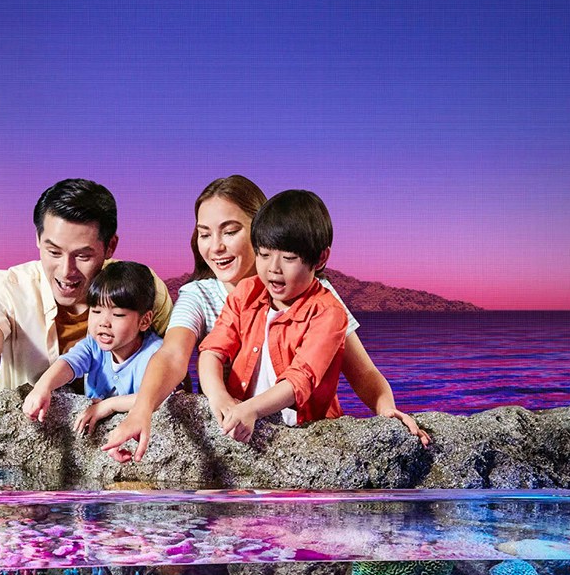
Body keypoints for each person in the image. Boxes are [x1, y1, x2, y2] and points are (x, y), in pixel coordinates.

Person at [102, 175, 428, 460]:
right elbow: (174, 355)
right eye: (204, 234)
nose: (216, 247)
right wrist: (143, 410)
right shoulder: (203, 295)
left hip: (307, 428)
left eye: (229, 232)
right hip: (240, 428)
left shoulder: (323, 301)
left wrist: (386, 410)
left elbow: (362, 371)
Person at [0, 179, 173, 454]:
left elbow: (171, 360)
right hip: (27, 444)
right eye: (53, 251)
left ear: (110, 247)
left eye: (83, 255)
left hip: (117, 443)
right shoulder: (3, 286)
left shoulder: (140, 286)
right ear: (37, 238)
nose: (65, 270)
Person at [197, 189, 349, 441]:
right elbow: (212, 350)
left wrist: (251, 409)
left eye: (288, 258)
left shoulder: (328, 313)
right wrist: (218, 396)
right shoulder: (247, 292)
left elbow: (299, 379)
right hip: (246, 422)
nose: (273, 269)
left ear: (321, 258)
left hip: (307, 431)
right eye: (264, 254)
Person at [22, 261, 165, 434]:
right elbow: (69, 363)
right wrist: (43, 387)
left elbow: (160, 398)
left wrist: (110, 405)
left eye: (118, 315)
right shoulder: (93, 345)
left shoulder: (156, 354)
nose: (104, 323)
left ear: (144, 321)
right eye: (96, 311)